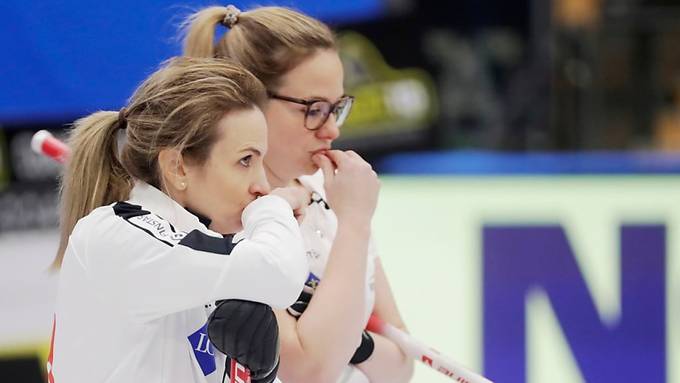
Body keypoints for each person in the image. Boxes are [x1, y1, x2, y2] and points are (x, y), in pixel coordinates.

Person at [183, 6, 414, 383]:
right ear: (247, 100)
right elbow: (306, 371)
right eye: (314, 109)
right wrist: (354, 222)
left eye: (336, 108)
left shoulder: (328, 192)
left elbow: (400, 365)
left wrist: (347, 339)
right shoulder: (221, 217)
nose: (331, 131)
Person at [48, 57, 309, 383]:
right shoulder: (118, 236)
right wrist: (275, 208)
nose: (262, 185)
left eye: (260, 160)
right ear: (178, 167)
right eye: (245, 160)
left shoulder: (198, 249)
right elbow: (279, 273)